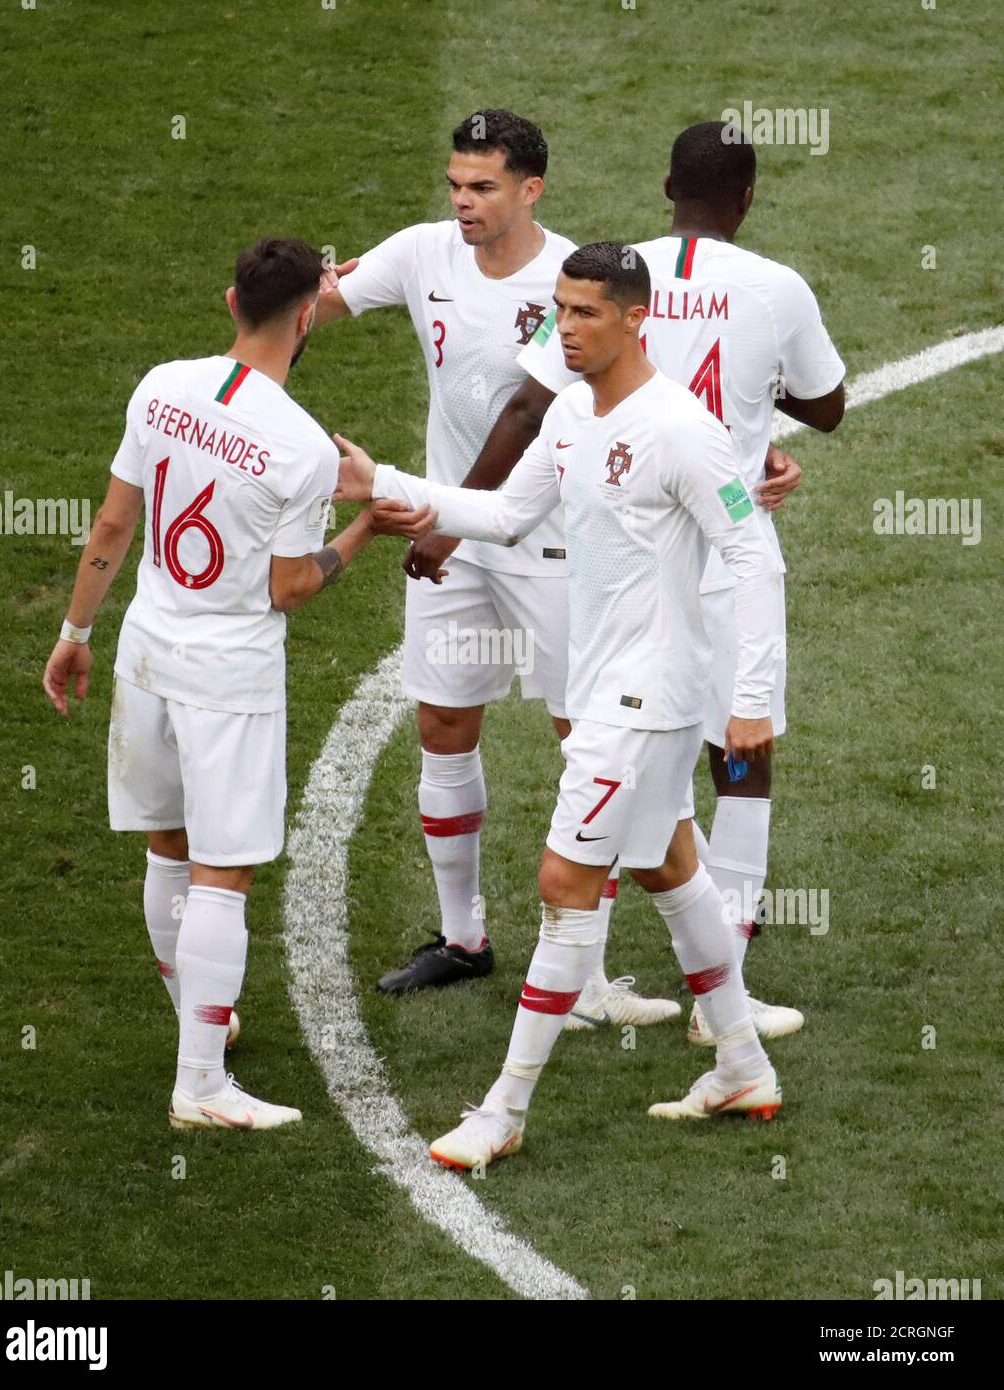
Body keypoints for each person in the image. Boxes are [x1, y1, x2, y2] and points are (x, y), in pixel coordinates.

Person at [335, 242, 787, 1169]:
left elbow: (756, 557)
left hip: (646, 699)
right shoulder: (575, 412)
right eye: (559, 311)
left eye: (585, 314)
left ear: (635, 319)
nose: (564, 329)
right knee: (668, 866)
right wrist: (384, 484)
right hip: (612, 688)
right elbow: (503, 515)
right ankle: (740, 1060)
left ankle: (502, 1111)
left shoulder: (680, 429)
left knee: (561, 886)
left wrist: (748, 705)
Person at [419, 121, 845, 1040]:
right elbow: (829, 404)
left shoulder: (609, 276)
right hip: (722, 540)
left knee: (630, 762)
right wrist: (752, 412)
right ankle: (717, 996)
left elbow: (530, 402)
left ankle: (608, 993)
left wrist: (443, 510)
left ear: (665, 185)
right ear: (749, 197)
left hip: (617, 557)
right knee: (739, 751)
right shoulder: (776, 286)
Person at [42, 238, 431, 1130]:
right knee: (223, 873)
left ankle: (199, 1030)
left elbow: (113, 520)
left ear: (230, 303)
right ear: (306, 319)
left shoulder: (161, 385)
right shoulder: (299, 445)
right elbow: (289, 588)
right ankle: (202, 1085)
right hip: (229, 672)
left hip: (144, 644)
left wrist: (74, 632)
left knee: (168, 849)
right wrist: (367, 529)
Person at [315, 110, 677, 1024]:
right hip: (459, 524)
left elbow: (522, 416)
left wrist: (439, 522)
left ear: (530, 190)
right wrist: (268, 319)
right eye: (455, 184)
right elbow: (308, 308)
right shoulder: (422, 253)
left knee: (584, 737)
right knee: (443, 720)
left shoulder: (571, 287)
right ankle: (463, 937)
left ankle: (591, 975)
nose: (463, 202)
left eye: (483, 187)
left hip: (547, 541)